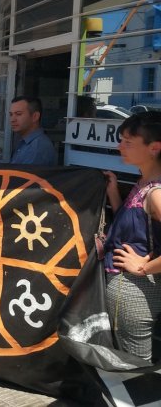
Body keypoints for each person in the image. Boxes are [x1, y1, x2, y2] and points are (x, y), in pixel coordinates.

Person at [102, 111, 161, 362]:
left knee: (134, 372)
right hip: (126, 293)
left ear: (154, 148)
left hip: (135, 294)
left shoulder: (156, 192)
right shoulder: (143, 183)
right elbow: (130, 229)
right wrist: (114, 193)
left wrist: (143, 267)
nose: (119, 146)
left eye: (128, 141)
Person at [9, 96, 57, 165]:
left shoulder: (37, 147)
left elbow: (22, 175)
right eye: (11, 114)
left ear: (35, 116)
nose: (12, 120)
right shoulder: (25, 141)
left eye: (18, 114)